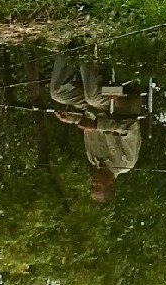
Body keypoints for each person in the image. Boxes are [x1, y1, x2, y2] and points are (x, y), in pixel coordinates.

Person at [49, 54, 143, 202]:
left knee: (57, 94)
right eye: (97, 187)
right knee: (92, 97)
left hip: (93, 104)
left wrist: (71, 118)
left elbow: (89, 121)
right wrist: (98, 125)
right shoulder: (126, 163)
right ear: (110, 185)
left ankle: (68, 49)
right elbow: (130, 128)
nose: (92, 183)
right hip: (121, 97)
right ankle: (87, 50)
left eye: (91, 186)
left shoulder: (92, 158)